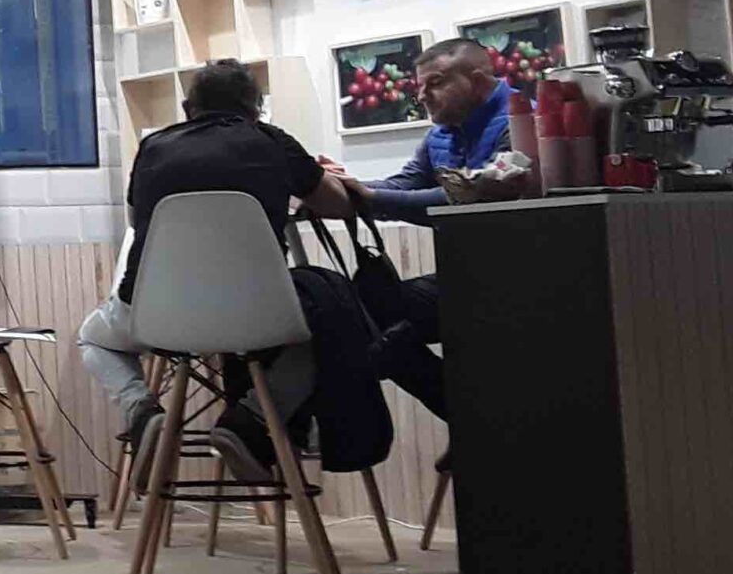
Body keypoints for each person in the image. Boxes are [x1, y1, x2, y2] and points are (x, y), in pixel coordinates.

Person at [79, 58, 360, 471]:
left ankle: (141, 408)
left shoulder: (153, 147)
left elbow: (138, 220)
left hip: (155, 315)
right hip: (255, 316)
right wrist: (311, 178)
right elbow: (337, 205)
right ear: (255, 108)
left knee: (94, 339)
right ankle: (252, 418)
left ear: (188, 108)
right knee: (329, 329)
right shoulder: (273, 142)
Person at [334, 37, 513, 424]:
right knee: (359, 309)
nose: (423, 96)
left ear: (477, 80)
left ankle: (477, 422)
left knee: (372, 327)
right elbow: (404, 185)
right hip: (465, 280)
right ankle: (472, 419)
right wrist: (341, 186)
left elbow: (466, 199)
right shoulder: (441, 134)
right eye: (419, 87)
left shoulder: (519, 120)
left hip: (519, 285)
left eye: (436, 83)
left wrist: (369, 197)